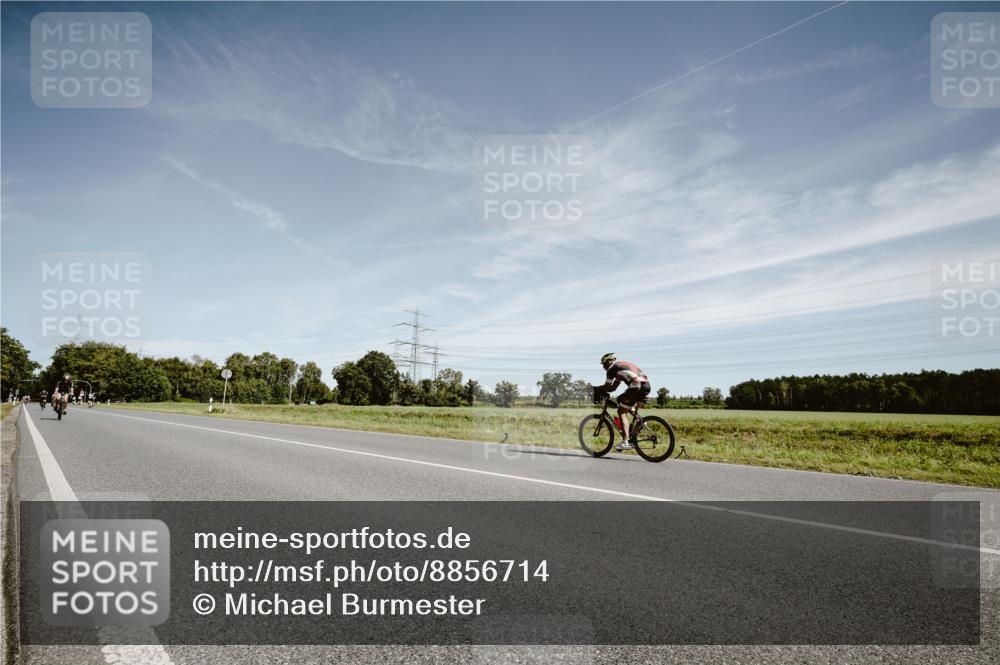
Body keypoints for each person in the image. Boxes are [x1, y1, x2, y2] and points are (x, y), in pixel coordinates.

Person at [598, 353, 651, 446]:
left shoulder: (612, 370)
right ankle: (640, 421)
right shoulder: (619, 368)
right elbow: (613, 388)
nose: (603, 367)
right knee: (620, 399)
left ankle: (625, 441)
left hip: (636, 387)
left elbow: (607, 386)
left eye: (604, 364)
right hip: (646, 385)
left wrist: (595, 389)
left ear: (609, 362)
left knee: (621, 411)